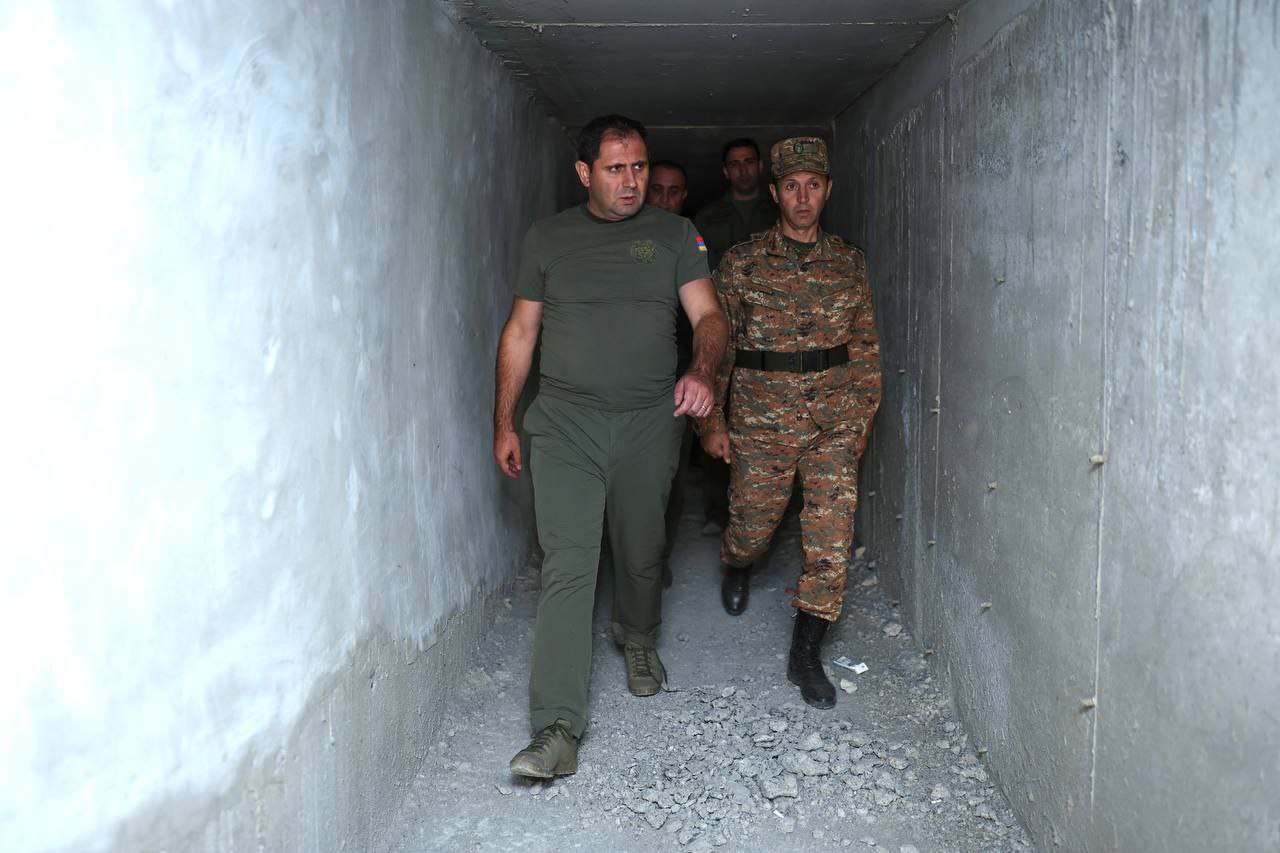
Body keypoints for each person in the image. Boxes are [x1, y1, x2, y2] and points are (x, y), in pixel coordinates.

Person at [494, 115, 728, 777]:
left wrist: (702, 371)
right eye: (616, 168)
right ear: (584, 173)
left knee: (641, 546)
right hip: (566, 424)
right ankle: (557, 727)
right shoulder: (548, 239)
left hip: (649, 421)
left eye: (639, 167)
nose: (632, 181)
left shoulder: (674, 235)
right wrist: (503, 420)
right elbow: (520, 333)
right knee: (569, 563)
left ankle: (639, 635)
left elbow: (709, 316)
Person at [693, 137, 881, 710]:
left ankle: (806, 652)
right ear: (774, 192)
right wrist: (711, 423)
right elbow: (719, 350)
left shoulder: (848, 262)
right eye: (792, 186)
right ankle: (737, 561)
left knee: (831, 538)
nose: (803, 198)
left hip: (833, 419)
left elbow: (865, 346)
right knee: (753, 523)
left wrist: (863, 416)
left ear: (828, 191)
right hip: (762, 418)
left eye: (813, 186)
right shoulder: (742, 262)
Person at [693, 139, 779, 538]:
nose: (743, 170)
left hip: (770, 332)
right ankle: (717, 510)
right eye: (735, 164)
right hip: (719, 323)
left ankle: (771, 514)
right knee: (714, 413)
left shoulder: (778, 211)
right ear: (725, 172)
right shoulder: (707, 218)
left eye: (749, 162)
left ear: (759, 167)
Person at [646, 160, 695, 588]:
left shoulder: (690, 243)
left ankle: (654, 558)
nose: (664, 199)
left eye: (673, 191)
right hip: (621, 377)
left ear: (684, 197)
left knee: (669, 473)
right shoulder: (619, 237)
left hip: (678, 377)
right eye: (657, 190)